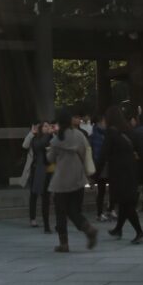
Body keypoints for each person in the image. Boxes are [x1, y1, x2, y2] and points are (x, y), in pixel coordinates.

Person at [47, 108, 98, 253]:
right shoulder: (79, 135)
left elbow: (50, 158)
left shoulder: (57, 139)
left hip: (61, 181)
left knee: (61, 212)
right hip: (78, 178)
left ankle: (64, 243)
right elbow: (85, 152)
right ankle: (88, 228)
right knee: (74, 210)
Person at [96, 106, 143, 243]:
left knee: (127, 204)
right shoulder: (129, 130)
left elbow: (103, 155)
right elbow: (140, 150)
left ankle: (139, 232)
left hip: (119, 173)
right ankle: (118, 228)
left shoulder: (111, 133)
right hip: (132, 172)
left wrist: (95, 174)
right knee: (125, 203)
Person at [25, 121, 54, 232]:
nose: (48, 128)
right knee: (36, 194)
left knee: (47, 198)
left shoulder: (51, 137)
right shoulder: (37, 139)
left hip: (52, 169)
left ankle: (49, 224)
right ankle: (38, 220)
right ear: (41, 128)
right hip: (39, 171)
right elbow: (39, 145)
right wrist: (48, 135)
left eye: (49, 126)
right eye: (45, 126)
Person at [88, 115, 110, 222]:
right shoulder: (94, 136)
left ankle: (109, 210)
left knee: (109, 190)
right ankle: (100, 212)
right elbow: (92, 153)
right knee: (101, 190)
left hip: (107, 164)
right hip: (99, 166)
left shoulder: (107, 135)